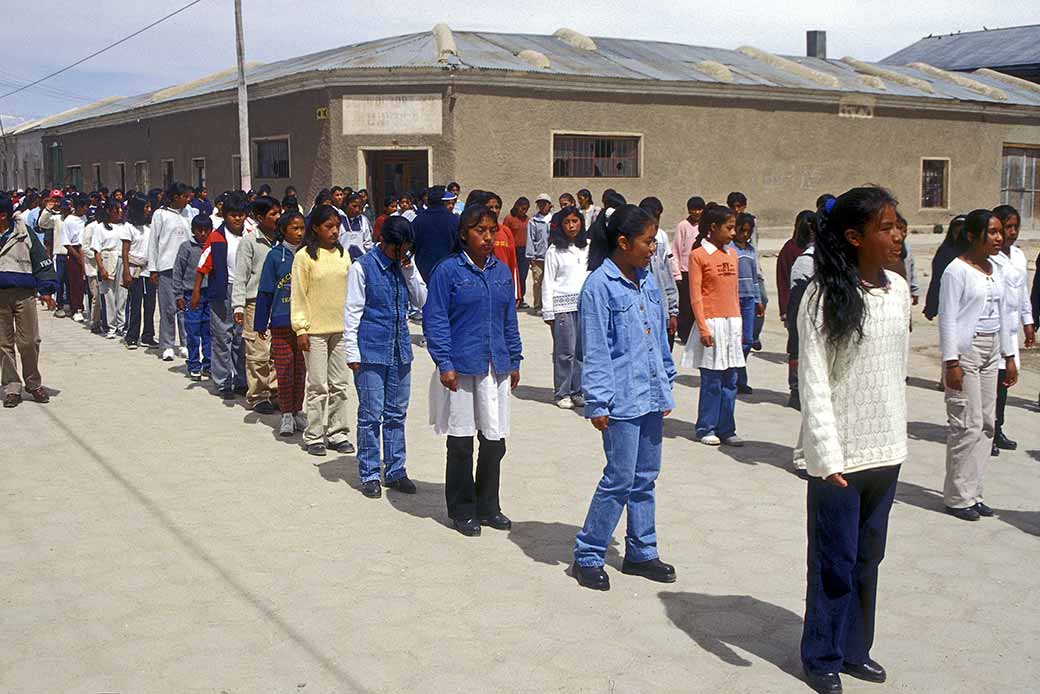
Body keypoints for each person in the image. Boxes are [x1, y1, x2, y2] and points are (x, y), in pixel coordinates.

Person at [796, 186, 910, 694]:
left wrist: (897, 441)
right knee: (833, 561)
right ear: (854, 236)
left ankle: (856, 648)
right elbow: (815, 383)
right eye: (886, 227)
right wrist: (825, 454)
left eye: (897, 224)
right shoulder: (824, 296)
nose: (898, 234)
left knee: (869, 558)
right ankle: (821, 655)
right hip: (839, 457)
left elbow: (895, 374)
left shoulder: (899, 290)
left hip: (886, 450)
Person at [572, 204, 677, 591]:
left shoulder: (647, 279)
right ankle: (587, 555)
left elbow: (660, 337)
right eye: (648, 241)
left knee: (645, 477)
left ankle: (641, 552)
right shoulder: (599, 287)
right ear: (623, 242)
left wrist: (666, 381)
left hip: (650, 394)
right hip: (619, 401)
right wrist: (597, 402)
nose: (653, 247)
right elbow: (596, 350)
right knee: (619, 478)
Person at [423, 204, 522, 536]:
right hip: (461, 368)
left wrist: (515, 359)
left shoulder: (500, 272)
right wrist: (444, 363)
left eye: (492, 230)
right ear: (464, 234)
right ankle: (462, 509)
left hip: (495, 366)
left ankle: (488, 504)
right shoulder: (448, 271)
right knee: (462, 442)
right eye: (481, 230)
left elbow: (510, 319)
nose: (488, 236)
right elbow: (435, 319)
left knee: (495, 441)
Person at [939, 209, 1017, 522]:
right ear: (972, 236)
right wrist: (951, 362)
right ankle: (957, 497)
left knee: (987, 423)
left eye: (1001, 232)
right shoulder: (955, 271)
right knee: (965, 424)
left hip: (992, 349)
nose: (1000, 238)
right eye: (993, 232)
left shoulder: (997, 267)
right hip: (965, 351)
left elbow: (1005, 313)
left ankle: (975, 492)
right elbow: (947, 319)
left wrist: (1009, 357)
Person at [344, 216, 428, 498]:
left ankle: (395, 469)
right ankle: (369, 473)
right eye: (399, 249)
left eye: (406, 249)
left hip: (400, 350)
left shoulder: (405, 265)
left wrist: (409, 271)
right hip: (370, 350)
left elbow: (421, 300)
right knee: (371, 414)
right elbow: (352, 311)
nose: (402, 254)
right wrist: (351, 351)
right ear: (385, 243)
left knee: (397, 413)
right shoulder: (362, 267)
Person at [291, 205, 355, 457]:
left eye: (337, 225)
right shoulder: (304, 257)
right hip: (314, 331)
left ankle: (338, 432)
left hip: (341, 329)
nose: (335, 231)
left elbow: (352, 292)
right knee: (318, 385)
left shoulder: (344, 255)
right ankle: (314, 435)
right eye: (329, 226)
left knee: (339, 384)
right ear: (316, 228)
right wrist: (301, 328)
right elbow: (298, 294)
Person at [682, 204, 744, 446]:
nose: (732, 233)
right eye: (729, 228)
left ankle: (727, 428)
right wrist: (704, 328)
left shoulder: (732, 255)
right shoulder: (698, 255)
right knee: (712, 380)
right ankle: (706, 427)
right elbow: (696, 295)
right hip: (711, 323)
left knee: (731, 380)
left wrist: (739, 327)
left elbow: (735, 292)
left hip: (732, 323)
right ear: (713, 227)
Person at [0, 195, 57, 408]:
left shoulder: (24, 232)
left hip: (24, 294)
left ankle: (33, 383)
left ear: (3, 215)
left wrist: (46, 290)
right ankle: (12, 387)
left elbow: (41, 260)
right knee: (3, 344)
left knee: (30, 341)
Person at [255, 211, 308, 437]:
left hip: (304, 323)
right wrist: (260, 322)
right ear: (284, 230)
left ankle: (298, 410)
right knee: (285, 369)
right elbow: (266, 290)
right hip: (281, 320)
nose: (299, 233)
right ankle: (286, 413)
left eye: (302, 228)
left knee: (301, 370)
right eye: (295, 229)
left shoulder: (308, 254)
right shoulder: (275, 256)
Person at [193, 193, 248, 399]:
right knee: (222, 337)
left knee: (240, 339)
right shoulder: (216, 237)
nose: (237, 219)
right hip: (222, 291)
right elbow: (202, 267)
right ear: (225, 215)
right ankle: (223, 382)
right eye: (233, 215)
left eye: (241, 215)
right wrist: (196, 291)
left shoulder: (250, 234)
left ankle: (241, 380)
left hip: (243, 291)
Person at [991, 205, 1034, 453]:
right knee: (991, 385)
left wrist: (1027, 322)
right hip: (992, 329)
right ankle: (987, 433)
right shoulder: (989, 257)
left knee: (1005, 383)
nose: (1012, 232)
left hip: (1011, 329)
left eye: (1015, 227)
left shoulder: (1018, 256)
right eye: (1008, 227)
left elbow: (1022, 293)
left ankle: (998, 429)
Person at [233, 196, 281, 413]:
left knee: (276, 351)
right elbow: (241, 276)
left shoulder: (283, 240)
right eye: (273, 214)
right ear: (260, 218)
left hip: (279, 302)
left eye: (279, 212)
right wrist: (238, 306)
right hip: (255, 303)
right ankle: (258, 395)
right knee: (258, 351)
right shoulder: (249, 241)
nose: (278, 217)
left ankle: (275, 391)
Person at [542, 205, 589, 409]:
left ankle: (578, 390)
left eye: (575, 221)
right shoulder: (554, 250)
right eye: (567, 222)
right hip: (563, 306)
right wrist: (548, 311)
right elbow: (548, 281)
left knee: (582, 351)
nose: (571, 226)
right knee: (565, 351)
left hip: (585, 306)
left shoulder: (588, 246)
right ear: (561, 226)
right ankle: (562, 392)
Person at [148, 181, 194, 361]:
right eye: (185, 197)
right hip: (166, 266)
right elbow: (153, 242)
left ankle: (185, 343)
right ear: (175, 197)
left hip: (186, 267)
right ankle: (166, 344)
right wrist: (153, 269)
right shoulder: (160, 214)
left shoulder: (188, 214)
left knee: (185, 307)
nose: (187, 200)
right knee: (168, 307)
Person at [778, 210, 815, 406]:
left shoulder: (820, 253)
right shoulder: (792, 250)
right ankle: (795, 390)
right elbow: (784, 282)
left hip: (814, 314)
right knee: (796, 350)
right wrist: (785, 311)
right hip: (795, 309)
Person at [639, 197, 680, 350]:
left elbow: (668, 282)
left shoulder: (660, 247)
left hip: (663, 315)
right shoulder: (632, 252)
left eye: (657, 219)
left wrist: (673, 312)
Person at [731, 212, 765, 394]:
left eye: (748, 231)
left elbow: (754, 277)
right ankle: (737, 379)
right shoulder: (729, 249)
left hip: (749, 299)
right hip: (734, 299)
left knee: (748, 340)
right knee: (737, 340)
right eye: (741, 230)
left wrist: (758, 298)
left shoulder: (751, 251)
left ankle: (739, 374)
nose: (744, 234)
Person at [175, 216, 212, 380]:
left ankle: (208, 364)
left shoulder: (213, 247)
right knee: (192, 330)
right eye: (199, 230)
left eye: (206, 230)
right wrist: (178, 295)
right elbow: (178, 271)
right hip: (191, 294)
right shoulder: (186, 248)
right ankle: (194, 364)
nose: (203, 234)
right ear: (193, 231)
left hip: (210, 294)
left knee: (209, 331)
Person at [91, 199, 129, 340]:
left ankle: (122, 325)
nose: (120, 212)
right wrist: (101, 268)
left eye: (121, 209)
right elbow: (97, 250)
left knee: (122, 294)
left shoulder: (125, 226)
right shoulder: (100, 228)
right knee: (108, 294)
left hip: (121, 259)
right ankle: (110, 326)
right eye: (116, 209)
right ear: (108, 211)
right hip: (107, 259)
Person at [121, 194, 153, 349]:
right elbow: (125, 251)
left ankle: (148, 335)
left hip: (149, 269)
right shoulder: (129, 227)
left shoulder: (149, 227)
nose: (149, 210)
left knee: (150, 304)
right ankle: (132, 336)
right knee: (136, 304)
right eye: (146, 207)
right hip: (135, 270)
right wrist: (126, 272)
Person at [672, 196, 705, 344]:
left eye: (699, 209)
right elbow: (677, 249)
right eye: (694, 209)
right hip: (685, 270)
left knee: (698, 303)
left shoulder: (705, 226)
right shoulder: (683, 226)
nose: (697, 212)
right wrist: (677, 273)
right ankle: (684, 333)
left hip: (700, 270)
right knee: (685, 304)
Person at [411, 185, 459, 282]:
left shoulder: (418, 220)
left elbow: (411, 246)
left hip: (423, 274)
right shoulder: (455, 220)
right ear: (443, 201)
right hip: (449, 274)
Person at [59, 195, 88, 323]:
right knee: (75, 282)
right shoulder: (69, 221)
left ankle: (85, 307)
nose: (86, 209)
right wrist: (78, 258)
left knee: (84, 284)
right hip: (74, 251)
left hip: (86, 249)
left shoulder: (84, 219)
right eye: (84, 207)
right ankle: (76, 308)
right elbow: (66, 242)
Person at [526, 194, 552, 311]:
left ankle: (549, 305)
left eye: (544, 203)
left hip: (552, 256)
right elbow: (530, 238)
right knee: (538, 282)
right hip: (539, 257)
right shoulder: (533, 221)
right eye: (539, 203)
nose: (542, 206)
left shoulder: (554, 219)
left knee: (551, 282)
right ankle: (538, 305)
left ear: (550, 205)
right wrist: (531, 255)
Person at [503, 197, 530, 307]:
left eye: (526, 209)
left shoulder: (528, 220)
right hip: (513, 249)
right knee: (512, 274)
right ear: (517, 207)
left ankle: (521, 297)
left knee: (523, 275)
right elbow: (504, 233)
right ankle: (511, 298)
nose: (524, 211)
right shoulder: (509, 218)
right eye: (523, 208)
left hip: (524, 250)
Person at [339, 192, 374, 260]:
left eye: (360, 207)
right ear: (346, 204)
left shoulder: (363, 220)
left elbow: (368, 243)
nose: (357, 209)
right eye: (354, 206)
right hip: (343, 261)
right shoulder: (339, 220)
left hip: (360, 261)